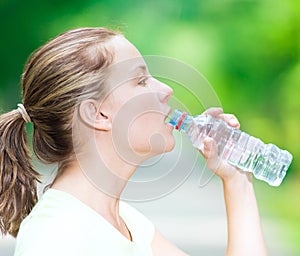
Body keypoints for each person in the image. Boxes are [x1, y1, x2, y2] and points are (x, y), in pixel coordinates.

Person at [0, 27, 267, 256]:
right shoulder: (57, 238)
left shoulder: (127, 225)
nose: (166, 90)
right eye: (141, 80)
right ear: (98, 114)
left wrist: (236, 180)